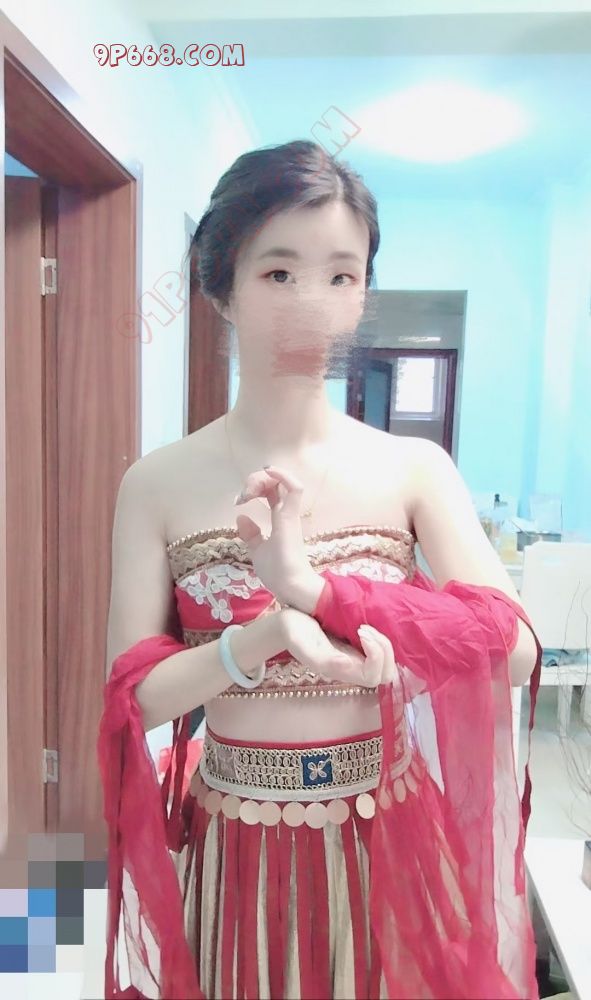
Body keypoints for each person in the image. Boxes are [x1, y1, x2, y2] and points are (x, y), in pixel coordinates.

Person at [98, 140, 542, 1000]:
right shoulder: (157, 482)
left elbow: (514, 648)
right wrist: (262, 637)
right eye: (279, 273)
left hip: (387, 833)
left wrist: (318, 590)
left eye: (341, 275)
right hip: (236, 838)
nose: (312, 302)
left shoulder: (412, 468)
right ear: (221, 287)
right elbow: (133, 697)